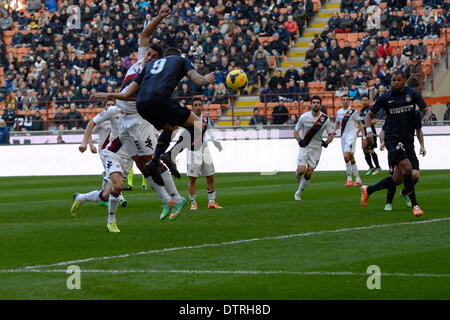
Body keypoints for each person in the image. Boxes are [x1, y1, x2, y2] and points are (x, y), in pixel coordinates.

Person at [93, 6, 186, 221]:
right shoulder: (141, 60)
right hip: (124, 120)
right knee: (140, 162)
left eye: (153, 56)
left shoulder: (152, 75)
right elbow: (145, 34)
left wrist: (107, 94)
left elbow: (129, 96)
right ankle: (165, 200)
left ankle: (176, 197)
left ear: (157, 62)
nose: (148, 57)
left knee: (150, 159)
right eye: (149, 54)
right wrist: (160, 17)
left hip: (138, 120)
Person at [92, 47, 215, 203]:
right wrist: (207, 79)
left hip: (142, 106)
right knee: (198, 125)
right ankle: (171, 154)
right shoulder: (181, 60)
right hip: (160, 100)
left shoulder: (149, 66)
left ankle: (156, 159)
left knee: (170, 128)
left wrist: (108, 94)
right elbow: (197, 80)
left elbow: (126, 94)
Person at [361, 70, 432, 217]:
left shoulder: (412, 94)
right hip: (393, 140)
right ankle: (415, 205)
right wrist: (369, 131)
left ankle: (368, 190)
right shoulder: (386, 97)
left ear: (404, 80)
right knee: (407, 168)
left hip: (408, 141)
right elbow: (369, 115)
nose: (395, 83)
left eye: (398, 80)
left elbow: (427, 109)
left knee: (400, 179)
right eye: (393, 80)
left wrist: (427, 115)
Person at [71, 101, 133, 233]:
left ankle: (80, 198)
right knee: (117, 185)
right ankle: (111, 221)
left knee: (105, 195)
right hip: (109, 152)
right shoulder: (111, 112)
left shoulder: (139, 113)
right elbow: (91, 124)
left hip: (128, 157)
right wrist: (86, 143)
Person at [380, 110, 425, 211]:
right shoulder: (393, 113)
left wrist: (422, 146)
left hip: (409, 149)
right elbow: (383, 132)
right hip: (395, 149)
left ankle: (405, 192)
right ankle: (389, 202)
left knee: (415, 175)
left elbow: (419, 130)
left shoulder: (415, 114)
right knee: (396, 178)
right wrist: (382, 142)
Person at [293, 95, 335, 200]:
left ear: (320, 105)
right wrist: (299, 141)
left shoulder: (325, 119)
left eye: (317, 103)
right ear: (311, 104)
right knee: (302, 170)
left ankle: (298, 192)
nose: (315, 104)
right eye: (314, 102)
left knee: (309, 172)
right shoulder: (304, 117)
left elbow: (331, 134)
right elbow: (296, 131)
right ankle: (297, 173)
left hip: (317, 149)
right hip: (305, 146)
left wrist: (327, 142)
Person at [185, 97, 223, 210]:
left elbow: (210, 131)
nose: (198, 107)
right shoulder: (187, 119)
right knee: (192, 178)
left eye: (199, 105)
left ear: (202, 106)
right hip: (193, 150)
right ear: (192, 107)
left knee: (210, 176)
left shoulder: (205, 119)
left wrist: (216, 142)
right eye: (195, 105)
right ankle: (193, 203)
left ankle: (212, 202)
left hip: (205, 149)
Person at [334, 95, 366, 187]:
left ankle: (349, 178)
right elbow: (337, 123)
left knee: (346, 155)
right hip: (343, 136)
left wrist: (363, 137)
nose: (345, 101)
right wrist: (334, 130)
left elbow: (360, 124)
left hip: (352, 135)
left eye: (347, 100)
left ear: (349, 101)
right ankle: (358, 179)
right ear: (341, 101)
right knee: (350, 157)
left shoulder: (353, 112)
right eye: (343, 100)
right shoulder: (339, 112)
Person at [359, 95, 381, 176]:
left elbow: (375, 120)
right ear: (361, 101)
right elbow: (360, 123)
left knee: (371, 150)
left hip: (371, 133)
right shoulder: (361, 111)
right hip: (364, 134)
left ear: (369, 101)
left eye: (366, 100)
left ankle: (378, 167)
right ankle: (371, 167)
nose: (364, 101)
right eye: (363, 100)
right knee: (365, 150)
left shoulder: (371, 110)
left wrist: (365, 125)